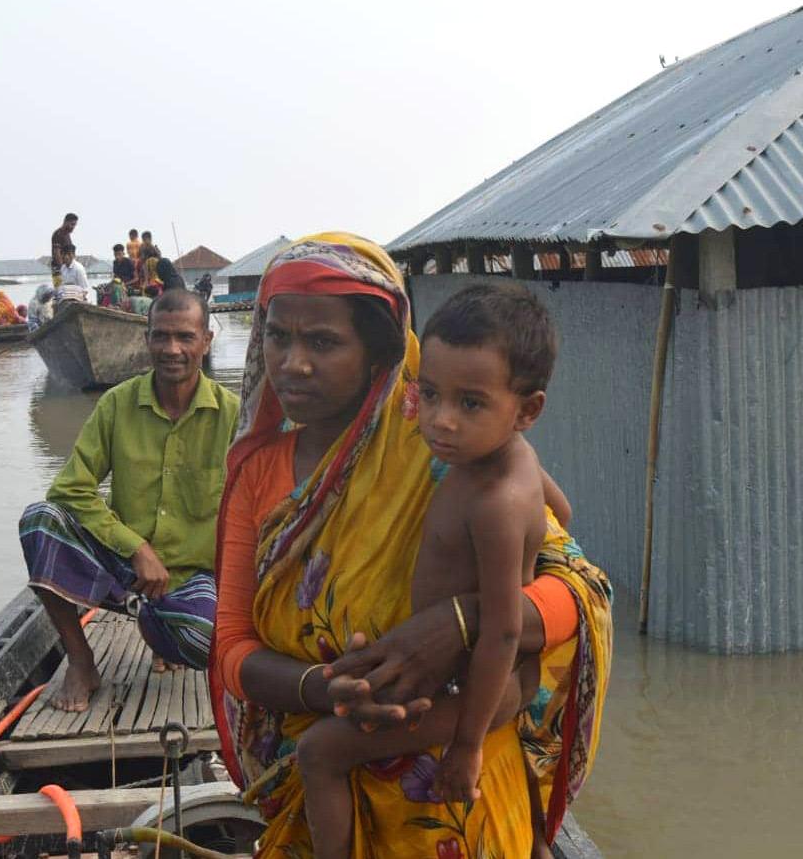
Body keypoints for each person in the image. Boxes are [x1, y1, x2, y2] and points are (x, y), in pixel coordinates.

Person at [210, 233, 612, 858]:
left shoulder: (451, 443)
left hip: (454, 793)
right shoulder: (256, 475)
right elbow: (232, 645)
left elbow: (579, 586)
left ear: (380, 351)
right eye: (277, 336)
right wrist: (323, 688)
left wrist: (459, 622)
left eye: (322, 341)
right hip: (322, 776)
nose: (292, 362)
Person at [296, 282, 563, 859]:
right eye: (431, 394)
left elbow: (503, 629)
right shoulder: (514, 461)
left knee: (318, 753)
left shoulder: (493, 501)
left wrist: (467, 745)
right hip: (468, 682)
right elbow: (561, 514)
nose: (440, 422)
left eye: (470, 404)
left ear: (529, 410)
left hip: (467, 692)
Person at [19, 289, 239, 709]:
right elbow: (69, 489)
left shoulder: (232, 415)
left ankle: (158, 629)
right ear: (146, 339)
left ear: (206, 341)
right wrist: (135, 547)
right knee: (40, 520)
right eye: (160, 337)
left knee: (201, 638)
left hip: (194, 578)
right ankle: (81, 661)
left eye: (185, 338)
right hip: (124, 570)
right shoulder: (117, 403)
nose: (171, 349)